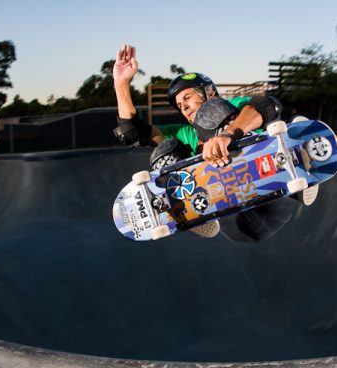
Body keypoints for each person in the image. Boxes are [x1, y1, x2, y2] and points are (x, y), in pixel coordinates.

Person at [112, 45, 316, 241]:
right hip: (236, 222)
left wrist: (229, 134)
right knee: (163, 151)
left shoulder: (232, 107)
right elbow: (133, 133)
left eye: (187, 98)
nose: (184, 108)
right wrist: (121, 83)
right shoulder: (185, 133)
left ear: (208, 92)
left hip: (275, 196)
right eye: (180, 107)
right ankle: (193, 211)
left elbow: (267, 105)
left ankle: (299, 160)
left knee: (210, 115)